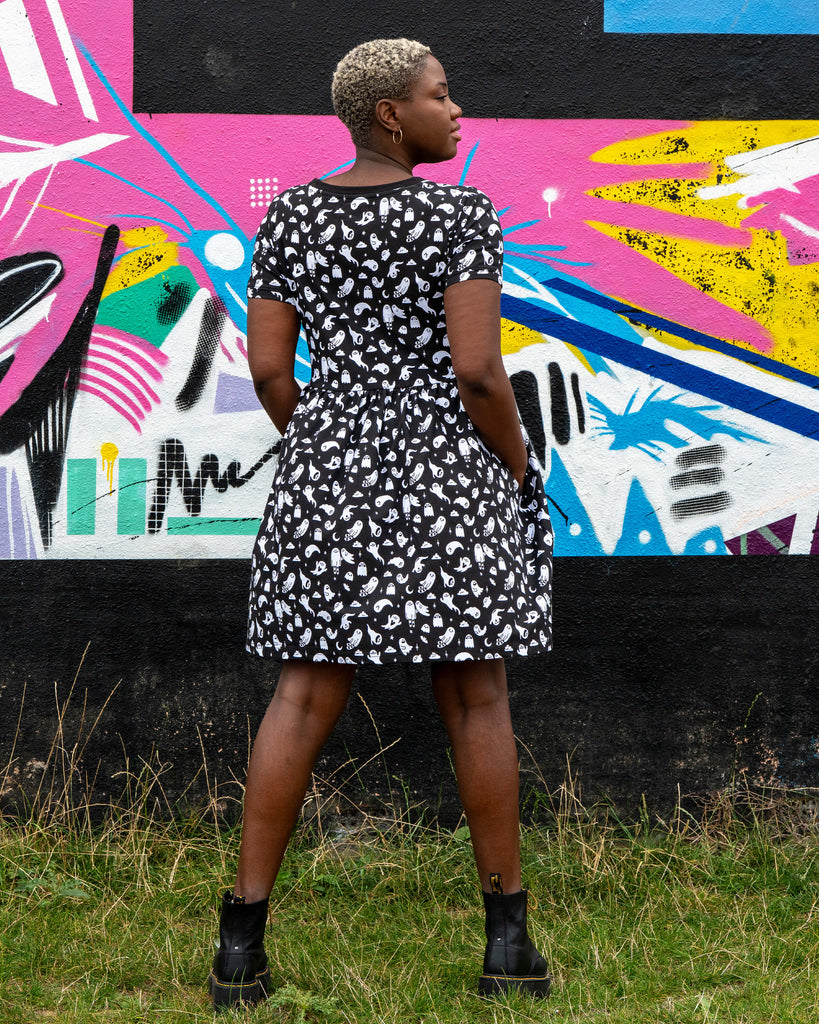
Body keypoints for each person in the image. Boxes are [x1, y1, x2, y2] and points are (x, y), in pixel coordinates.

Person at [208, 38, 554, 1010]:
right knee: (476, 698)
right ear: (392, 115)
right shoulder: (459, 213)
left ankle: (241, 949)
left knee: (304, 697)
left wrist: (327, 443)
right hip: (448, 474)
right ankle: (507, 947)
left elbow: (273, 371)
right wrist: (517, 465)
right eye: (442, 95)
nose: (459, 110)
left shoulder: (293, 217)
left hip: (326, 475)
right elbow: (479, 372)